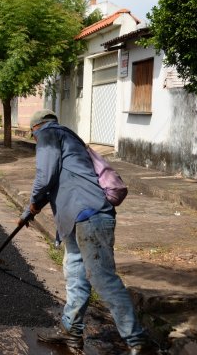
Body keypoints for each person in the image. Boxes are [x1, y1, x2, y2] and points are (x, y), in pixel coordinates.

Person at [19, 110, 152, 354]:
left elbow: (45, 177)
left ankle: (137, 341)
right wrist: (31, 209)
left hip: (90, 216)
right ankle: (72, 335)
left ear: (35, 129)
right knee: (76, 277)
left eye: (32, 136)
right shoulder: (70, 139)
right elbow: (58, 182)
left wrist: (32, 204)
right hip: (76, 219)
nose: (35, 140)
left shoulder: (48, 135)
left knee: (102, 278)